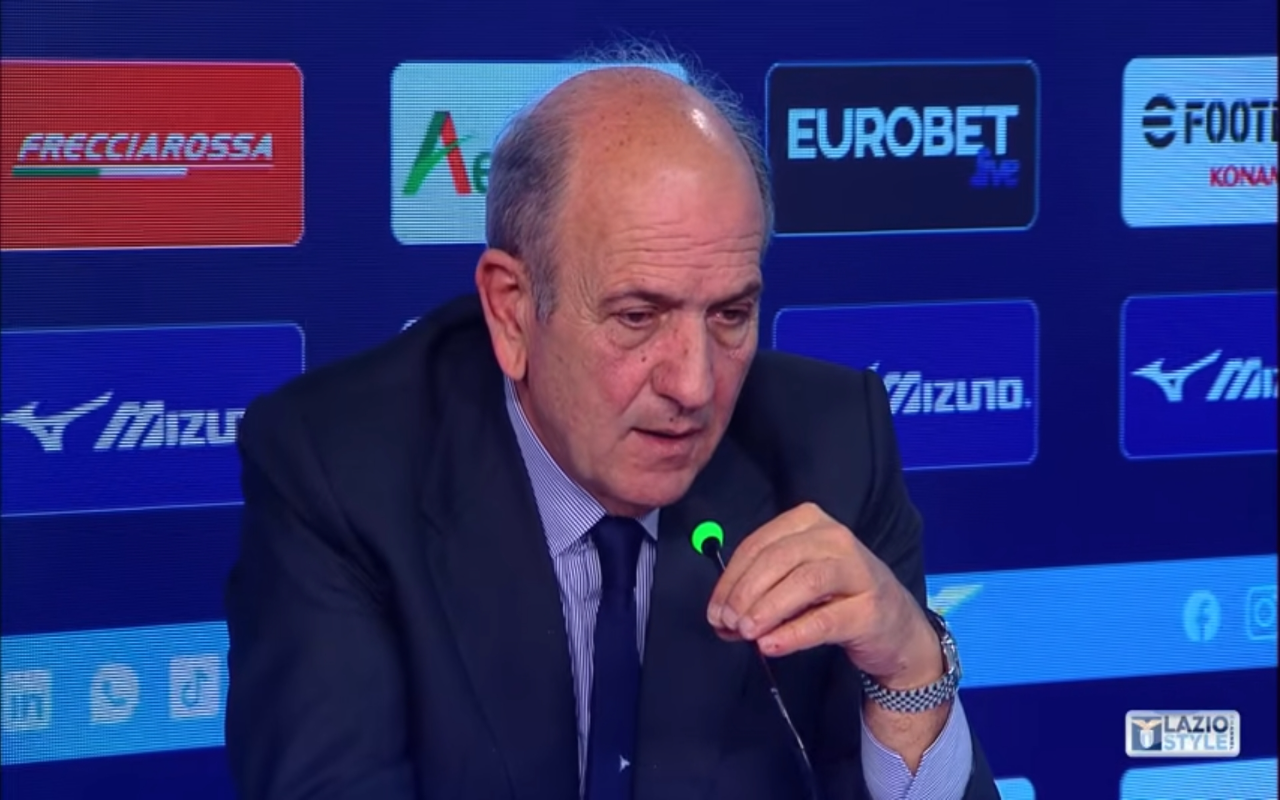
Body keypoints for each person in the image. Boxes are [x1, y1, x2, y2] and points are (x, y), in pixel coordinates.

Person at [224, 45, 1001, 800]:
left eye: (730, 315)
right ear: (512, 312)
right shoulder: (339, 472)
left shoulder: (833, 450)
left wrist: (910, 672)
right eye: (637, 316)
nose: (694, 384)